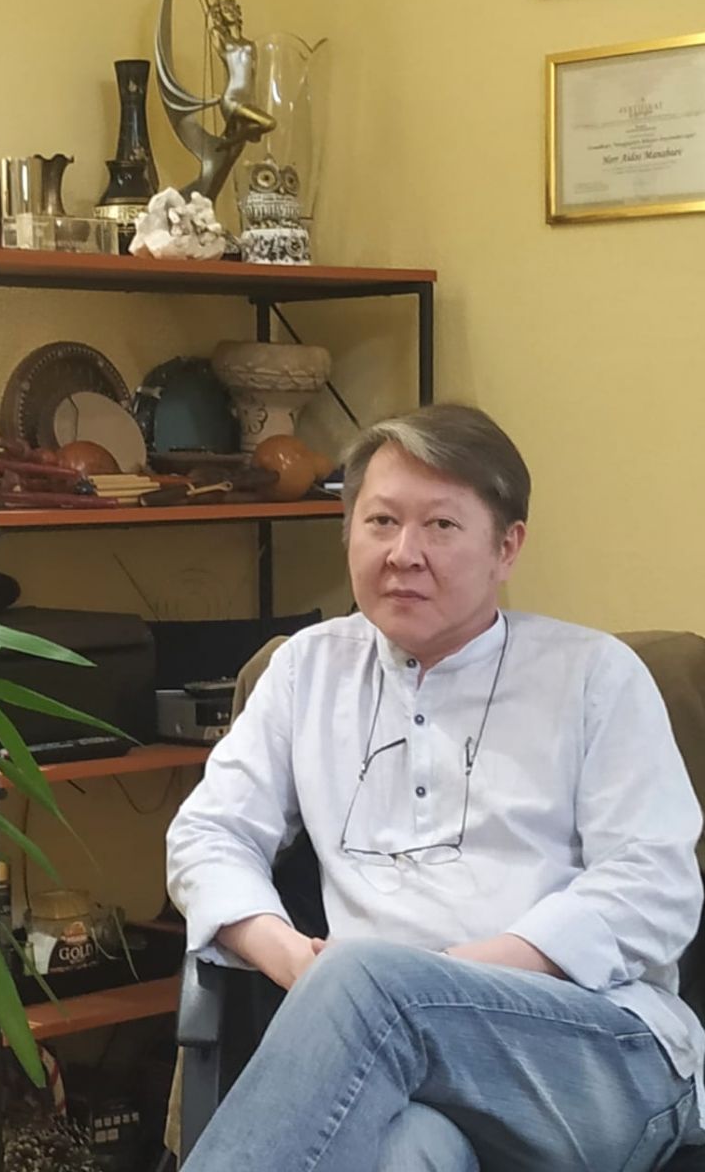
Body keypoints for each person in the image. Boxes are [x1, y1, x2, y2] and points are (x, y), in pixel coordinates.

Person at [167, 403, 705, 1171]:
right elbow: (209, 835)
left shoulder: (595, 678)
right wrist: (291, 960)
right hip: (392, 1053)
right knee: (408, 1150)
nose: (404, 554)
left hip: (601, 1052)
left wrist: (437, 976)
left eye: (441, 526)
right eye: (381, 522)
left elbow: (653, 887)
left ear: (506, 547)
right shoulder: (306, 670)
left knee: (368, 981)